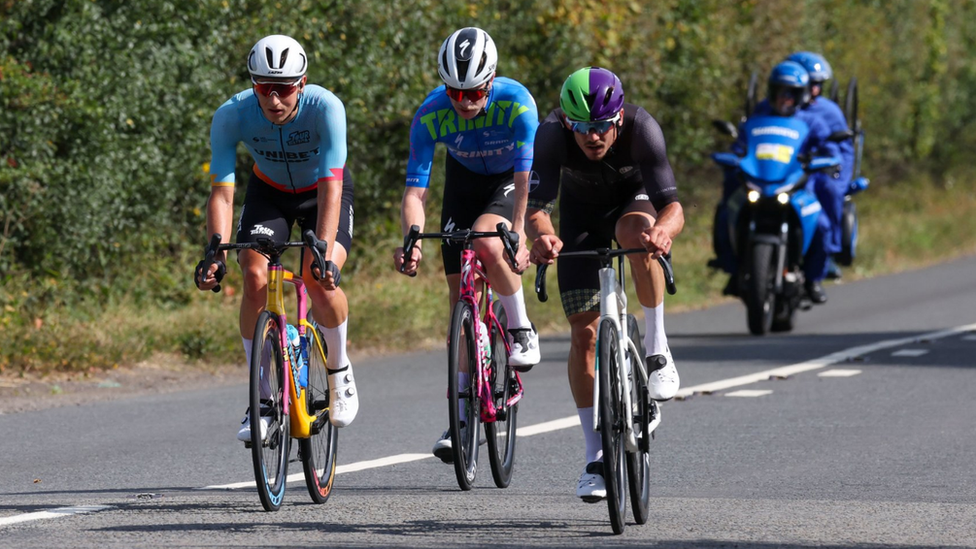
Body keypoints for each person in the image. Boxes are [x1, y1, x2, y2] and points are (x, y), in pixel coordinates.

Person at [525, 67, 684, 501]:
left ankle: (656, 347)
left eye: (600, 128)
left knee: (637, 237)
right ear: (568, 123)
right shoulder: (552, 135)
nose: (592, 137)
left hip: (633, 203)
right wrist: (543, 236)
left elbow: (673, 206)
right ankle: (596, 457)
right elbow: (536, 208)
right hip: (580, 218)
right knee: (585, 335)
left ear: (617, 120)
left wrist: (664, 232)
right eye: (582, 128)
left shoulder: (642, 128)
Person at [195, 35, 359, 441]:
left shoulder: (327, 108)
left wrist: (321, 249)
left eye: (284, 88)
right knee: (252, 273)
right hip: (269, 193)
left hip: (323, 193)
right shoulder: (231, 115)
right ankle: (263, 400)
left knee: (319, 278)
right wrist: (214, 251)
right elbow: (222, 190)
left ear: (301, 84)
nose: (273, 99)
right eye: (263, 88)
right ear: (253, 85)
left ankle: (339, 370)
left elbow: (332, 186)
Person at [392, 27, 541, 461]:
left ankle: (519, 327)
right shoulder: (430, 114)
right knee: (460, 301)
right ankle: (459, 417)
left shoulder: (518, 102)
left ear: (491, 82)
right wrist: (413, 241)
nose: (465, 102)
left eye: (475, 92)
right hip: (462, 183)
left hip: (506, 181)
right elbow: (415, 193)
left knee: (486, 239)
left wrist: (516, 230)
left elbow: (523, 177)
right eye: (455, 92)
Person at [714, 61, 839, 303]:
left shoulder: (812, 121)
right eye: (780, 92)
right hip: (760, 184)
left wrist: (826, 160)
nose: (785, 98)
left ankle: (813, 279)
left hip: (799, 186)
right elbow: (740, 145)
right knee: (726, 213)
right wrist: (734, 156)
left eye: (791, 93)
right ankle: (733, 269)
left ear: (801, 95)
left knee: (822, 225)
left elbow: (829, 147)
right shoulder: (758, 117)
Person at [786, 51, 855, 279]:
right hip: (788, 168)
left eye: (819, 84)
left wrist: (833, 168)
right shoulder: (780, 106)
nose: (815, 90)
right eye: (810, 83)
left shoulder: (828, 111)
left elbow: (840, 148)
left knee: (828, 189)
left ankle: (830, 252)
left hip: (823, 167)